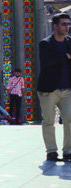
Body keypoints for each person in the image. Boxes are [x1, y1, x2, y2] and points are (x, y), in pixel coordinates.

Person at [36, 12, 71, 162]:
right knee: (49, 121)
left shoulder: (70, 42)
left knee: (69, 120)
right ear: (55, 26)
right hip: (49, 90)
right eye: (64, 24)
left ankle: (68, 151)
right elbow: (47, 63)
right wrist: (65, 57)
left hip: (67, 90)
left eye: (68, 24)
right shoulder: (45, 44)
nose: (67, 27)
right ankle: (51, 151)